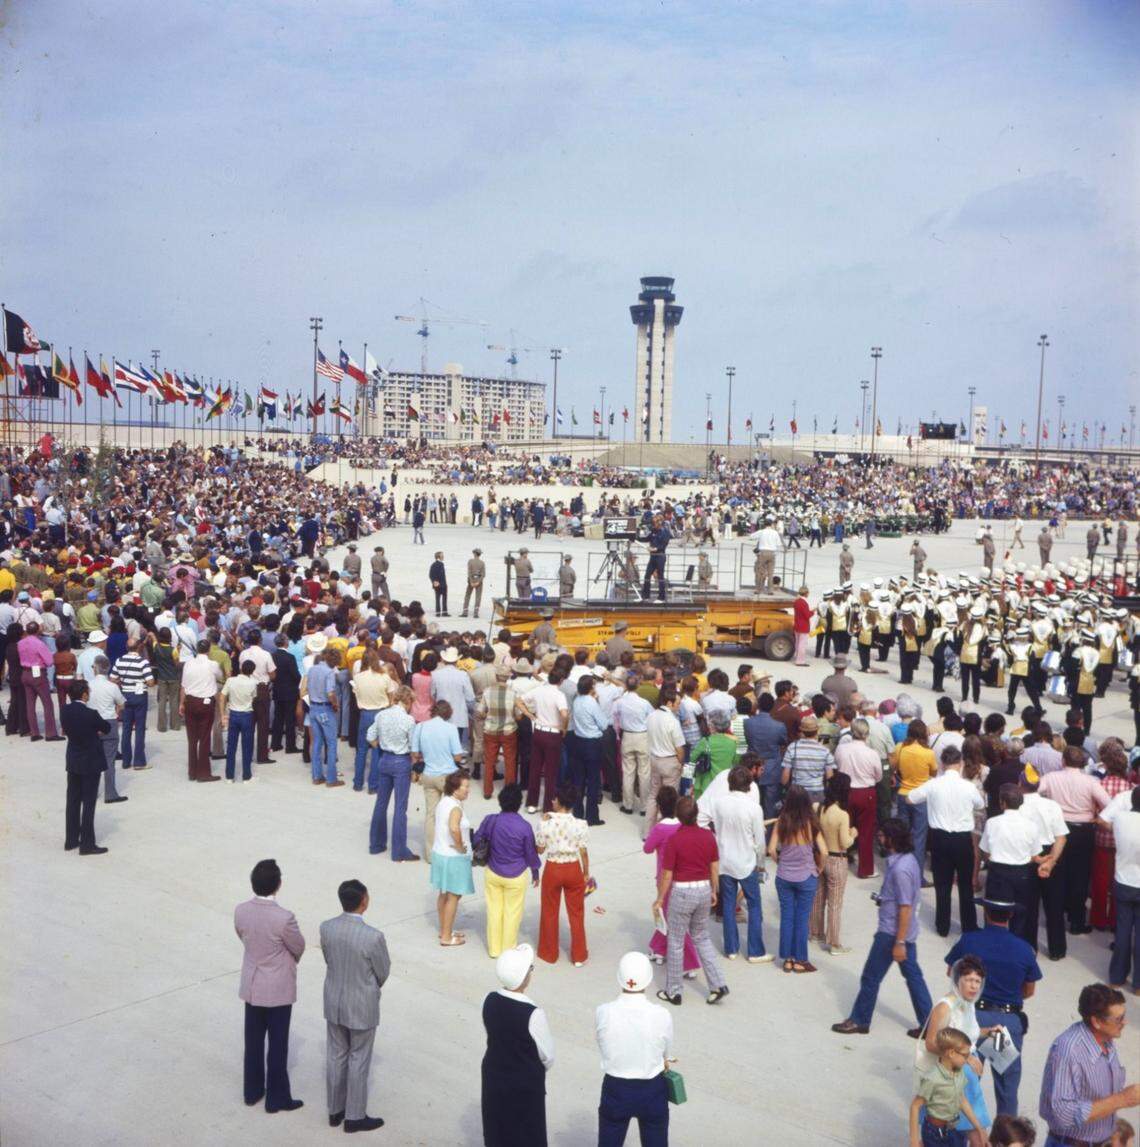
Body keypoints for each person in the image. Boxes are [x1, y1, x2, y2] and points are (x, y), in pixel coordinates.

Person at [831, 817, 933, 1036]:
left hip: (892, 933)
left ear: (892, 840)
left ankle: (859, 1020)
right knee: (913, 977)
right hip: (903, 932)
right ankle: (928, 1023)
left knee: (871, 977)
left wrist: (899, 942)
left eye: (882, 836)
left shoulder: (900, 870)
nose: (879, 839)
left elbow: (905, 907)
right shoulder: (908, 860)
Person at [946, 898, 1043, 1116]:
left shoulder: (969, 940)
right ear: (1010, 916)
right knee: (1006, 1089)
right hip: (1003, 1025)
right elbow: (1029, 990)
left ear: (986, 913)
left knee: (965, 1084)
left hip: (972, 1019)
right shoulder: (1024, 948)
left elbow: (951, 974)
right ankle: (1005, 1138)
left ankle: (960, 1137)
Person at [233, 859, 305, 1114]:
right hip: (277, 989)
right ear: (278, 885)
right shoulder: (284, 918)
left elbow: (242, 935)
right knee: (277, 1045)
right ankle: (277, 1098)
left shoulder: (241, 910)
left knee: (252, 1042)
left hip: (252, 985)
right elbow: (298, 947)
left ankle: (252, 1091)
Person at [320, 878, 390, 1133]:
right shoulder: (373, 937)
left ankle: (335, 1110)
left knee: (336, 1054)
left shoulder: (327, 928)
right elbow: (383, 971)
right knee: (359, 1057)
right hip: (362, 1004)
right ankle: (354, 1116)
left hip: (335, 1000)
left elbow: (329, 959)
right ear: (364, 901)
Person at [1039, 983, 1139, 1146]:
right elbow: (1063, 1113)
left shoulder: (1107, 1040)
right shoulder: (1069, 1050)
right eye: (1119, 1019)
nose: (1125, 1022)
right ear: (1097, 1022)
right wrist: (1123, 1099)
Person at [653, 795, 730, 1006]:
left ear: (678, 815)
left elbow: (667, 874)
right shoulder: (708, 836)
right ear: (696, 814)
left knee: (676, 941)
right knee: (702, 937)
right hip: (704, 889)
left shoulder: (675, 840)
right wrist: (714, 890)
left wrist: (660, 898)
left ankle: (674, 991)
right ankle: (718, 984)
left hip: (682, 892)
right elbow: (714, 866)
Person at [595, 952, 674, 1147]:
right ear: (647, 981)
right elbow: (666, 1051)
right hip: (652, 1089)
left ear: (619, 979)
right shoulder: (661, 1014)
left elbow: (602, 1043)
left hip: (616, 1087)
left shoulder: (603, 1011)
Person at [914, 956, 993, 1145]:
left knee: (971, 1136)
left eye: (977, 982)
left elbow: (966, 1034)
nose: (974, 986)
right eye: (969, 980)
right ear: (958, 980)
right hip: (950, 1078)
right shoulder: (945, 1006)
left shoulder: (968, 1003)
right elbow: (931, 1043)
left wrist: (987, 1032)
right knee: (976, 1137)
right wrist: (964, 1058)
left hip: (967, 1078)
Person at [481, 943, 554, 1147]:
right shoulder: (533, 1013)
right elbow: (548, 1056)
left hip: (494, 1078)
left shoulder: (488, 999)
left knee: (497, 1130)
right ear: (525, 977)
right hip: (525, 1086)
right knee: (528, 1134)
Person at [908, 745, 984, 937]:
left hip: (940, 838)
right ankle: (969, 925)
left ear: (942, 764)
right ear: (960, 764)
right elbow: (980, 804)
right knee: (966, 884)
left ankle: (943, 925)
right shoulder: (968, 786)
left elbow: (910, 798)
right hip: (962, 839)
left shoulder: (933, 784)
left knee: (942, 884)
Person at [1040, 745, 1111, 936]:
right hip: (1083, 831)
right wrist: (1096, 816)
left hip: (1058, 829)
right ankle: (1076, 920)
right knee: (1079, 876)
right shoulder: (1091, 782)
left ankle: (1056, 916)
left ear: (1063, 761)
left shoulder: (1051, 777)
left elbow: (1034, 790)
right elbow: (1108, 804)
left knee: (1057, 874)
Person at [708, 763, 771, 962]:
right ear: (749, 785)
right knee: (754, 906)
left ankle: (731, 948)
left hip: (725, 859)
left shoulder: (719, 804)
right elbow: (760, 841)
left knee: (727, 904)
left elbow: (717, 830)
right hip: (747, 861)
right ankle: (755, 951)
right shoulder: (754, 808)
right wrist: (761, 863)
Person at [473, 783, 540, 959]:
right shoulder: (524, 826)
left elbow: (476, 839)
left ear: (501, 801)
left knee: (494, 911)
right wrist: (535, 873)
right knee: (512, 913)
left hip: (493, 873)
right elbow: (531, 854)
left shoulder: (490, 820)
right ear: (519, 803)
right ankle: (508, 950)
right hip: (516, 876)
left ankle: (494, 950)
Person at [643, 786, 700, 976]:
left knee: (673, 918)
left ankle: (690, 963)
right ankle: (659, 948)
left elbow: (647, 848)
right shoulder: (682, 825)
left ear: (659, 806)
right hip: (681, 875)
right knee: (666, 914)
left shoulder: (660, 828)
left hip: (663, 878)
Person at [769, 785, 825, 972]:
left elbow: (770, 850)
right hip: (806, 876)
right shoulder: (811, 823)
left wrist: (780, 862)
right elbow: (823, 851)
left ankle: (787, 959)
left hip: (784, 875)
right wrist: (819, 867)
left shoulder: (781, 822)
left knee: (787, 917)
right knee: (802, 919)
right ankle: (801, 959)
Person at [536, 784, 590, 966]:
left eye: (554, 798)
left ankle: (549, 953)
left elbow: (540, 849)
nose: (552, 801)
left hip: (553, 868)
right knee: (577, 913)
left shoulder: (546, 823)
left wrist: (543, 824)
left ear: (559, 802)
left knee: (549, 911)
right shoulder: (581, 824)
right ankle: (579, 955)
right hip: (573, 868)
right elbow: (583, 851)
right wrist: (586, 873)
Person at [909, 1026, 990, 1147]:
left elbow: (962, 1099)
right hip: (934, 1131)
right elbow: (915, 1106)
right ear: (951, 1053)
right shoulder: (933, 1078)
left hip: (954, 1128)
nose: (968, 1058)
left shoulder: (959, 1072)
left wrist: (978, 1127)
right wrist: (914, 1141)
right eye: (965, 1055)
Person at [366, 686, 419, 862]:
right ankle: (399, 850)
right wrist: (416, 765)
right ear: (408, 701)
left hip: (385, 759)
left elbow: (370, 735)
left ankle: (376, 844)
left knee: (381, 803)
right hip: (401, 761)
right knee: (400, 807)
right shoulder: (409, 720)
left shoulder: (382, 715)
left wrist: (381, 748)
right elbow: (413, 747)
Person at [61, 679, 110, 855]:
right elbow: (106, 727)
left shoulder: (64, 711)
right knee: (88, 802)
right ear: (84, 694)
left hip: (73, 759)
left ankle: (71, 839)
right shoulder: (91, 713)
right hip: (90, 761)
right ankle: (87, 844)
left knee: (72, 800)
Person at [811, 772, 857, 955]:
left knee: (818, 897)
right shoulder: (842, 815)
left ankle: (816, 932)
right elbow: (845, 843)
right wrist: (854, 834)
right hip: (837, 859)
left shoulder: (817, 807)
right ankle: (834, 943)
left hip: (819, 856)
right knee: (835, 903)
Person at [413, 699, 464, 854]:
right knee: (454, 811)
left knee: (431, 814)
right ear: (448, 713)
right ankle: (452, 848)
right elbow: (457, 757)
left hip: (428, 774)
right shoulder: (451, 728)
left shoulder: (420, 727)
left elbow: (415, 754)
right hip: (447, 776)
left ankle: (430, 853)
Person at [430, 769, 475, 946]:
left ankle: (444, 930)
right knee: (454, 896)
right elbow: (454, 828)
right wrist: (460, 845)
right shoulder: (456, 807)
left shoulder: (444, 802)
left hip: (440, 853)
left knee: (443, 893)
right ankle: (447, 937)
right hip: (453, 857)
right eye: (465, 786)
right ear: (456, 789)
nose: (468, 790)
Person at [835, 718, 882, 878]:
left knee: (843, 827)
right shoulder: (872, 753)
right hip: (865, 793)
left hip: (846, 792)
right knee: (866, 831)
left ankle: (839, 862)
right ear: (867, 734)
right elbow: (878, 776)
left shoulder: (841, 749)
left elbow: (837, 767)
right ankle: (865, 869)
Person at [1104, 787, 1140, 992]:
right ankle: (1138, 984)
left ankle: (1117, 977)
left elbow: (1104, 819)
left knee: (1123, 931)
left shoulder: (1120, 819)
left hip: (1123, 880)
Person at [893, 719, 938, 880]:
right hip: (921, 797)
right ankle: (917, 875)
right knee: (919, 838)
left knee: (902, 834)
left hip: (903, 794)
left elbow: (894, 767)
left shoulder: (900, 748)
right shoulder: (928, 753)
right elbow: (933, 772)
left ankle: (899, 871)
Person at [179, 638, 224, 783]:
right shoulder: (213, 664)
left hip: (190, 701)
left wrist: (181, 703)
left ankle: (192, 772)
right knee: (204, 738)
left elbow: (183, 686)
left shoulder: (188, 664)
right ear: (209, 650)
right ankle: (203, 773)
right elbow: (220, 677)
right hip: (205, 703)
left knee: (192, 739)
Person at [111, 637, 154, 770]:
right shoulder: (143, 662)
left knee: (126, 728)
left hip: (125, 695)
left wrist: (123, 682)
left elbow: (112, 679)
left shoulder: (119, 660)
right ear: (139, 647)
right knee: (139, 729)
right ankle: (139, 762)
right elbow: (150, 682)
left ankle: (126, 760)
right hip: (139, 696)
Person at [646, 688, 685, 828]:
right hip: (669, 761)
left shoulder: (651, 716)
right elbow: (679, 747)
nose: (679, 706)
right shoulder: (672, 721)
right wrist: (681, 763)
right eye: (678, 703)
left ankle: (648, 831)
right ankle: (664, 829)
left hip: (655, 759)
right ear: (670, 703)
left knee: (653, 795)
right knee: (669, 799)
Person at [219, 660, 258, 783]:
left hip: (234, 714)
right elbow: (253, 697)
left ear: (241, 668)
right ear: (252, 671)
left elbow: (222, 696)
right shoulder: (253, 683)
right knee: (247, 746)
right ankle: (247, 776)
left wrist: (223, 714)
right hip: (247, 715)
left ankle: (229, 776)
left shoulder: (231, 681)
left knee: (231, 746)